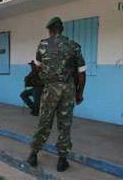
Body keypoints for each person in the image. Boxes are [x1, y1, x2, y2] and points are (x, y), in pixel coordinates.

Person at [26, 17, 86, 172]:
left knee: (44, 122)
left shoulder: (43, 45)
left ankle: (33, 154)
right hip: (67, 89)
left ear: (50, 30)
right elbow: (81, 73)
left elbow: (37, 69)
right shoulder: (73, 46)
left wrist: (44, 78)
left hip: (50, 89)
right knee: (64, 124)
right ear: (62, 29)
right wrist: (79, 93)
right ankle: (62, 161)